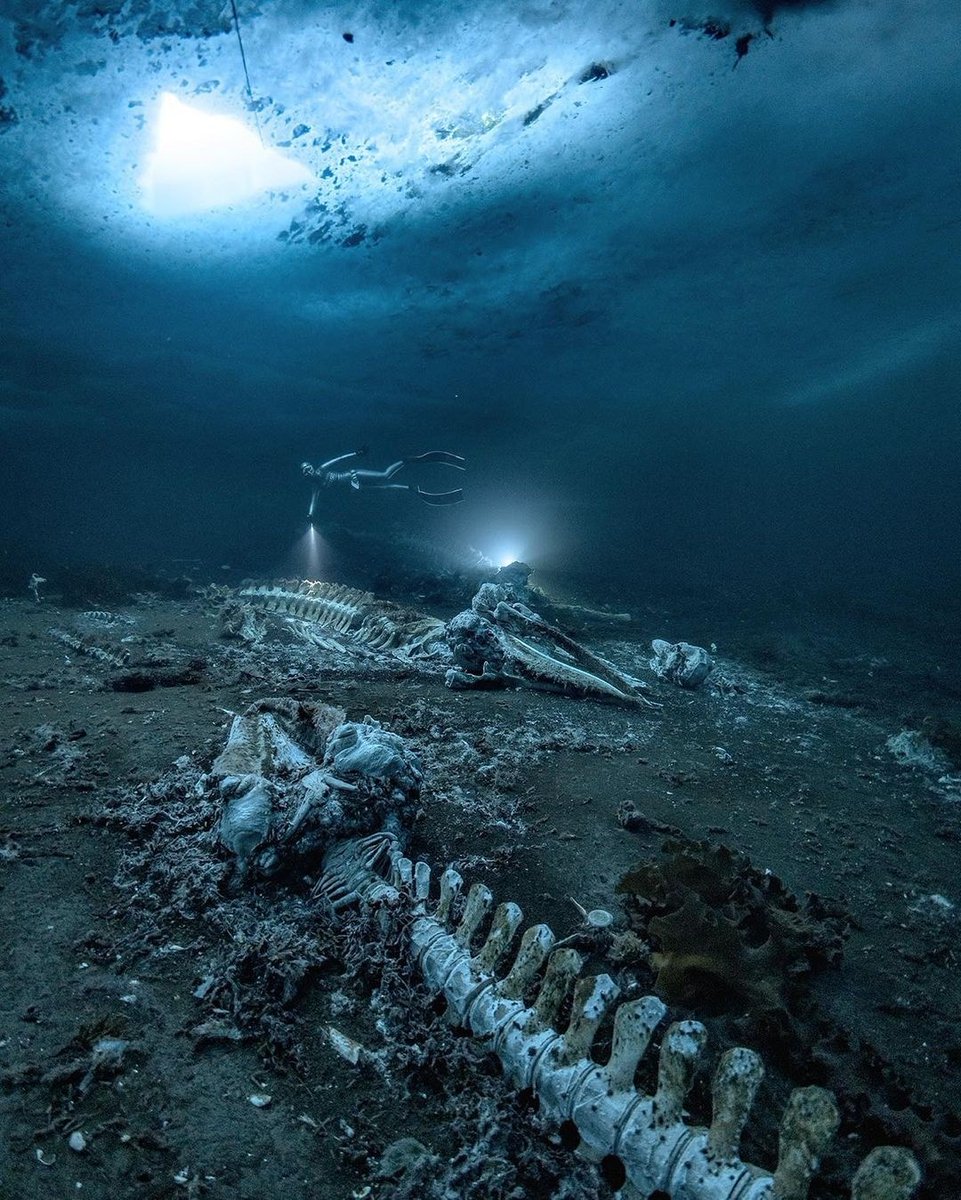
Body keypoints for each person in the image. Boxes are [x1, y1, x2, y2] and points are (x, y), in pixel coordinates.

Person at [302, 448, 466, 508]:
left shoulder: (322, 469)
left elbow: (339, 459)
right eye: (305, 472)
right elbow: (313, 501)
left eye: (308, 468)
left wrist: (356, 453)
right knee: (383, 489)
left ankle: (405, 460)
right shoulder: (315, 486)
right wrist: (310, 515)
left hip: (354, 475)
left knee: (384, 476)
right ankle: (410, 489)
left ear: (311, 467)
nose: (307, 471)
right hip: (354, 487)